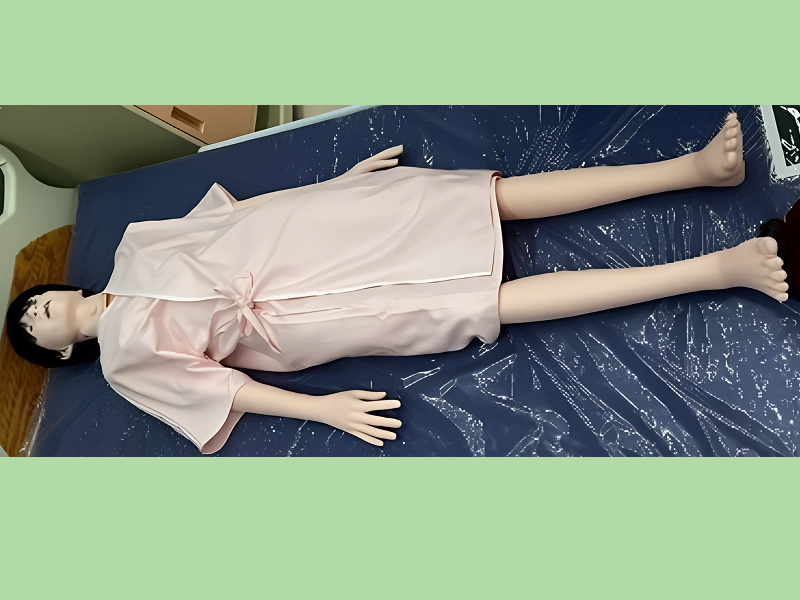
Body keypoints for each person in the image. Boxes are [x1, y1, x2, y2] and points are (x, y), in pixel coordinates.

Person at [5, 113, 790, 454]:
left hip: (308, 232)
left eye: (34, 303)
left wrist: (334, 187)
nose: (41, 311)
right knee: (481, 305)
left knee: (488, 198)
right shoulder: (124, 364)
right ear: (61, 352)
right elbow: (222, 390)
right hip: (302, 315)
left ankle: (691, 169)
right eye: (36, 326)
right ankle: (716, 269)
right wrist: (322, 409)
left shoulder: (137, 242)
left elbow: (236, 218)